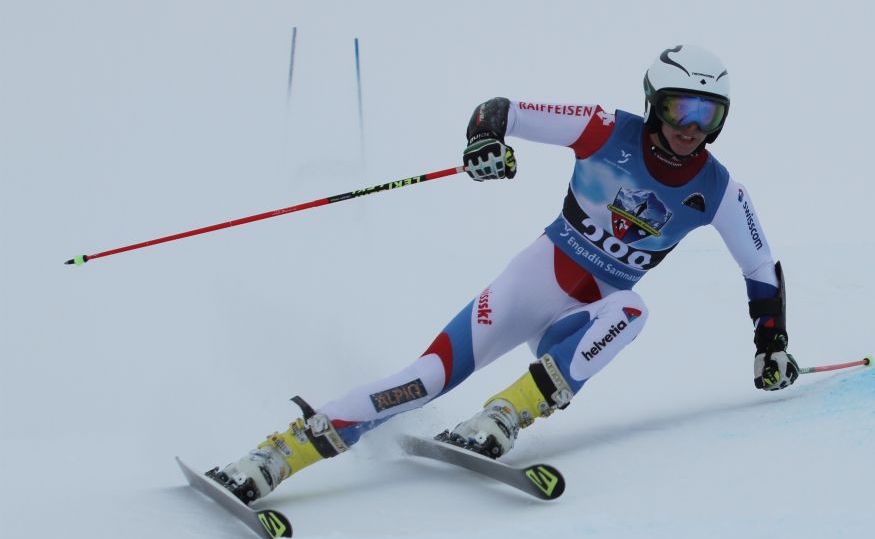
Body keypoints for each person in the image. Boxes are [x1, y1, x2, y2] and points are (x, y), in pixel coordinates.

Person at [208, 43, 798, 503]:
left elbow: (759, 265)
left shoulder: (718, 190)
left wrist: (771, 343)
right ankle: (275, 457)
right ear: (653, 103)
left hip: (582, 321)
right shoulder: (604, 128)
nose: (690, 126)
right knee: (426, 379)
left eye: (706, 113)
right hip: (533, 283)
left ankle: (504, 415)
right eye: (678, 108)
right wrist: (485, 141)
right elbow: (500, 111)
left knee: (631, 310)